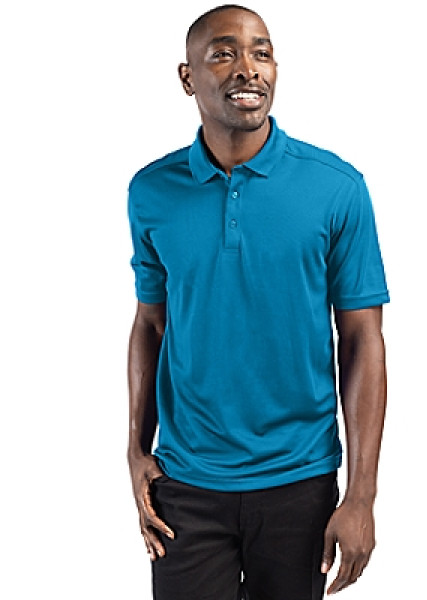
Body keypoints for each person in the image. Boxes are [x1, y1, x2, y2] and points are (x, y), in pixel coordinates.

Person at [127, 4, 389, 599]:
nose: (248, 68)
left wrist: (362, 494)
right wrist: (135, 450)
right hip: (186, 482)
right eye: (224, 54)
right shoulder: (150, 191)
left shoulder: (337, 187)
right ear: (188, 77)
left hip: (301, 480)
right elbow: (150, 323)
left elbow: (362, 339)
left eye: (261, 53)